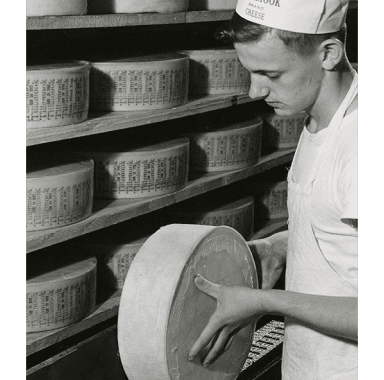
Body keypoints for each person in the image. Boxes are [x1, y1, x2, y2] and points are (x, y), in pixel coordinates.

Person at [188, 0, 358, 379]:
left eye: (271, 74)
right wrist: (279, 248)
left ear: (328, 54)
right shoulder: (320, 115)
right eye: (249, 72)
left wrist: (263, 300)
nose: (253, 91)